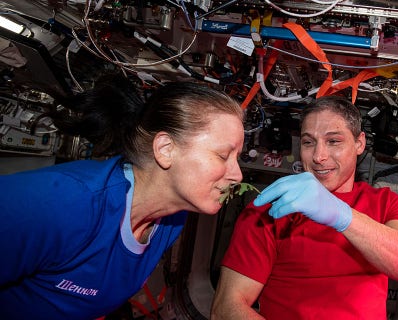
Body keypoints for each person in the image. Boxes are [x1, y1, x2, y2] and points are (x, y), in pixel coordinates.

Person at [0, 76, 245, 319]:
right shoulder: (62, 203)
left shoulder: (171, 221)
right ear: (165, 149)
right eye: (224, 156)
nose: (238, 175)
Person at [212, 96, 398, 319]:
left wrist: (341, 215)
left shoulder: (385, 203)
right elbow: (226, 309)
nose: (318, 156)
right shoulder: (270, 209)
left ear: (359, 143)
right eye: (308, 142)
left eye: (333, 141)